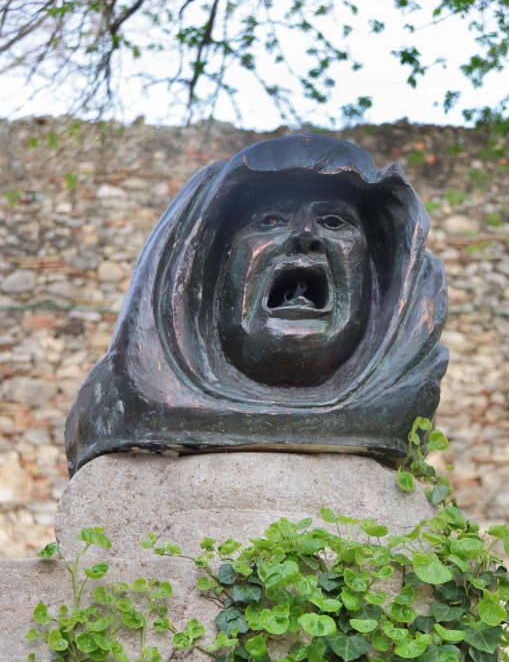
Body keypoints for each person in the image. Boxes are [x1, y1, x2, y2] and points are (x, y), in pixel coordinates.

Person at [65, 133, 448, 476]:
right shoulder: (122, 398)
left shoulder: (397, 398)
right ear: (208, 265)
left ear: (379, 273)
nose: (305, 236)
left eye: (333, 221)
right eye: (270, 220)